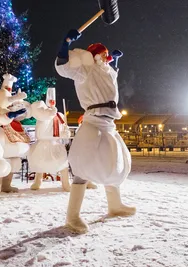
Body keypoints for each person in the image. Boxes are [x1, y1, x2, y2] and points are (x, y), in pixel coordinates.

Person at [54, 29, 136, 233]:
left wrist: (114, 61)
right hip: (93, 121)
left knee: (116, 161)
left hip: (109, 124)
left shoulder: (106, 70)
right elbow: (62, 66)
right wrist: (66, 42)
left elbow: (111, 80)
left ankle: (115, 205)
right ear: (95, 56)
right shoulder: (84, 69)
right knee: (84, 164)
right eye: (103, 54)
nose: (105, 58)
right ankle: (72, 216)